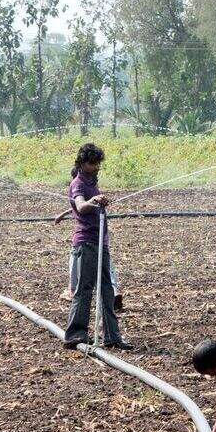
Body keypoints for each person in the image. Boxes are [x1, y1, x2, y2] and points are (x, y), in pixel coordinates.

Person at [62, 143, 132, 350]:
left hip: (100, 241)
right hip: (86, 242)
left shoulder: (92, 181)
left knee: (107, 289)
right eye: (93, 163)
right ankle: (75, 335)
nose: (96, 167)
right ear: (82, 163)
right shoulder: (79, 183)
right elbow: (81, 206)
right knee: (84, 289)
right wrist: (93, 200)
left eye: (98, 163)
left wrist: (99, 199)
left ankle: (112, 337)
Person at [55, 202, 123, 312]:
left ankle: (73, 290)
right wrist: (61, 215)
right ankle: (114, 291)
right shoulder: (95, 201)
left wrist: (61, 216)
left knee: (76, 262)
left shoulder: (86, 201)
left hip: (85, 241)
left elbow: (78, 207)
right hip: (101, 240)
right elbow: (76, 207)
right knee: (106, 266)